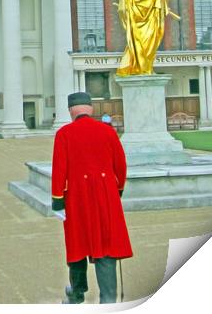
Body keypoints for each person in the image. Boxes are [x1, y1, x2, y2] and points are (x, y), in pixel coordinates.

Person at [51, 92, 133, 304]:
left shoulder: (64, 133)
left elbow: (59, 170)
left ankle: (77, 294)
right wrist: (118, 190)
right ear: (91, 109)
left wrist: (58, 200)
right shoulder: (107, 131)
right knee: (106, 245)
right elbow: (121, 166)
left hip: (77, 197)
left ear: (71, 111)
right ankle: (108, 300)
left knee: (77, 244)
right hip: (106, 195)